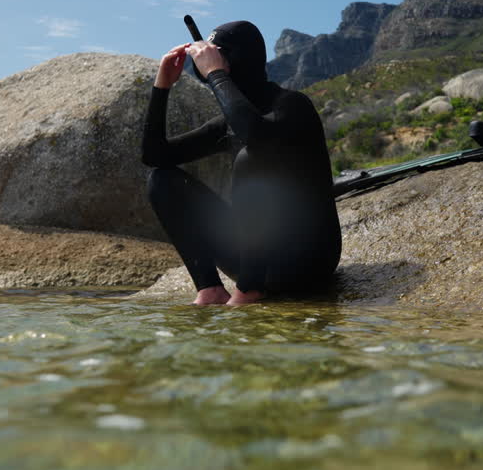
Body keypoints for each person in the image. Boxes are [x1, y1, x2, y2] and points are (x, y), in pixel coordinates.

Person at [142, 20, 341, 305]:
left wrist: (215, 73)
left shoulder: (292, 105)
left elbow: (256, 137)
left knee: (251, 157)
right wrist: (161, 86)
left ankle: (248, 290)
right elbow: (154, 155)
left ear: (236, 59)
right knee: (162, 179)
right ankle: (209, 289)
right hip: (254, 261)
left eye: (216, 54)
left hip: (307, 262)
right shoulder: (226, 125)